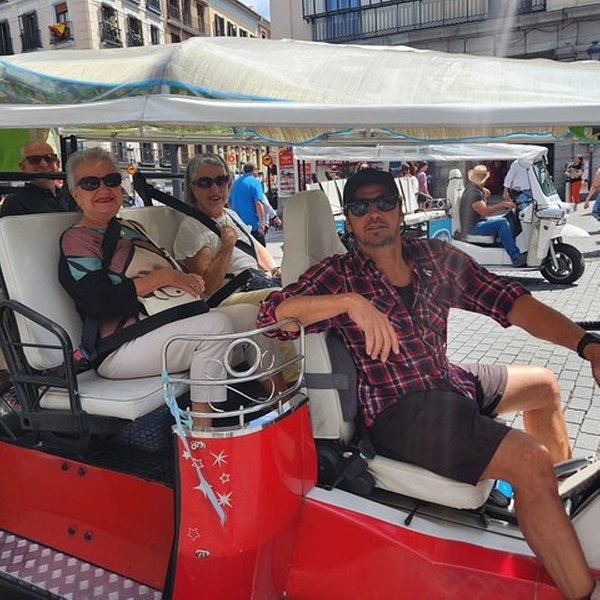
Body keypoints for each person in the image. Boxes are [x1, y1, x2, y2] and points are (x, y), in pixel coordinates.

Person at [257, 167, 600, 600]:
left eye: (383, 202)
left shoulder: (434, 257)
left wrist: (586, 345)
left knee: (543, 385)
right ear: (349, 219)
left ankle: (551, 511)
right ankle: (580, 590)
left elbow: (509, 300)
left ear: (401, 210)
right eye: (360, 207)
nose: (374, 213)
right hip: (400, 412)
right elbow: (270, 316)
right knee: (530, 461)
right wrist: (350, 303)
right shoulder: (339, 274)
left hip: (446, 380)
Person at [59, 148, 281, 427]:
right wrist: (163, 277)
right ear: (75, 194)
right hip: (120, 344)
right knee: (214, 326)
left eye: (111, 180)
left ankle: (283, 405)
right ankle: (203, 434)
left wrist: (183, 279)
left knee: (251, 315)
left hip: (161, 325)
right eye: (90, 183)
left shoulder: (131, 227)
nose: (103, 189)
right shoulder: (78, 240)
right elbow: (98, 301)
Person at [173, 153, 281, 306]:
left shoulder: (231, 215)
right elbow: (208, 287)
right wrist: (227, 246)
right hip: (228, 297)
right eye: (205, 182)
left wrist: (275, 269)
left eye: (221, 181)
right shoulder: (191, 227)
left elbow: (255, 247)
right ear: (193, 189)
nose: (215, 188)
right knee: (286, 299)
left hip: (255, 284)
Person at [459, 164, 527, 267]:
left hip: (479, 222)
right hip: (472, 227)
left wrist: (483, 189)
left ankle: (508, 243)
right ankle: (515, 256)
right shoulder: (474, 194)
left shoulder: (474, 188)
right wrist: (502, 204)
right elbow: (485, 211)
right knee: (501, 223)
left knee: (508, 217)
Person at [1, 140, 74, 217]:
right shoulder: (15, 202)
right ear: (22, 167)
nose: (44, 164)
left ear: (57, 163)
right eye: (34, 160)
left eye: (49, 158)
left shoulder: (72, 196)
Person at [228, 162, 267, 246]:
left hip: (239, 226)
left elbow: (229, 204)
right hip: (253, 225)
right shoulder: (255, 182)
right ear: (254, 170)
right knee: (260, 250)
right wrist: (262, 222)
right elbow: (258, 203)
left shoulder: (235, 183)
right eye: (257, 169)